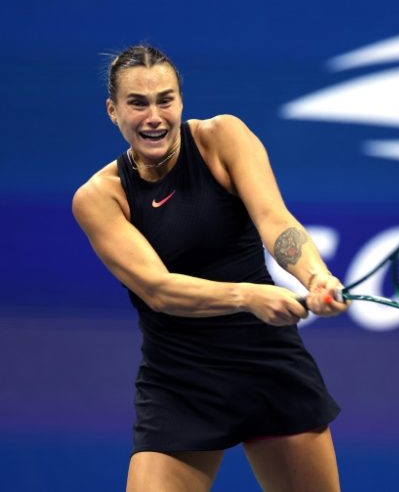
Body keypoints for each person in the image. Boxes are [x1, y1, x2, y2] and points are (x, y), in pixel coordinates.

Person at [72, 44, 347, 492]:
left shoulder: (222, 138)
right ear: (112, 110)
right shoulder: (101, 198)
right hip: (180, 380)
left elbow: (275, 221)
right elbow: (158, 290)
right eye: (137, 103)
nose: (154, 116)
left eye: (165, 99)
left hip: (267, 364)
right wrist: (248, 296)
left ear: (180, 100)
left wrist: (315, 276)